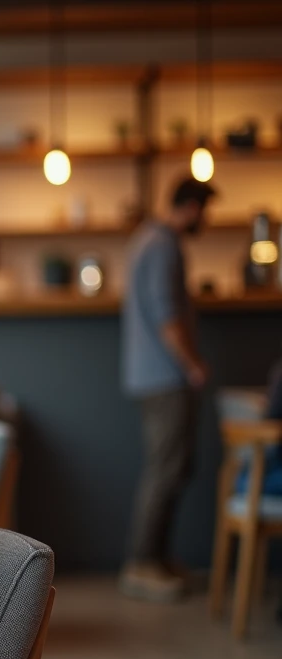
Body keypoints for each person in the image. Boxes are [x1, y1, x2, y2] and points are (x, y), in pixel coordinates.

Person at [120, 176, 217, 602]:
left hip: (152, 376)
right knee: (165, 470)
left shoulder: (148, 238)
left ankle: (156, 559)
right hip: (165, 377)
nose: (206, 220)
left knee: (170, 467)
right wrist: (192, 364)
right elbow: (167, 316)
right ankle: (142, 564)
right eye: (205, 211)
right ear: (193, 208)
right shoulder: (163, 245)